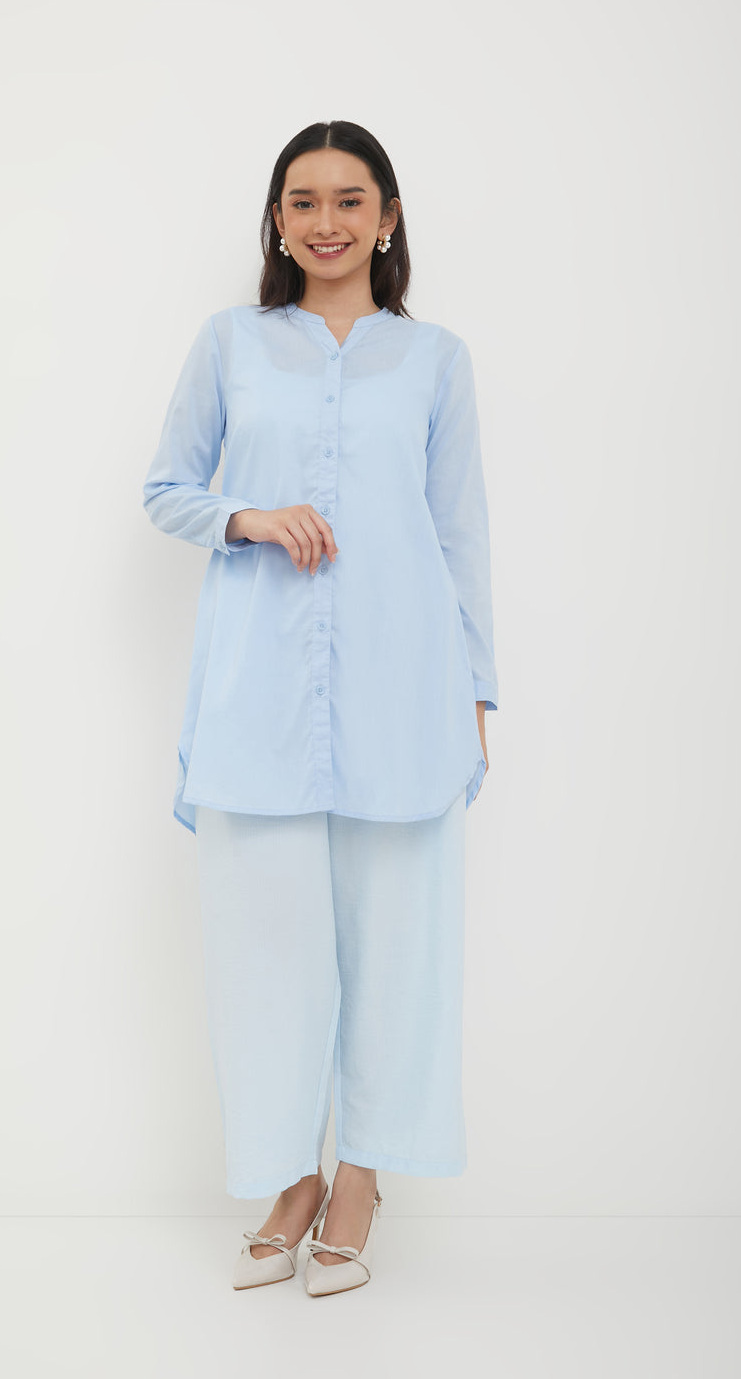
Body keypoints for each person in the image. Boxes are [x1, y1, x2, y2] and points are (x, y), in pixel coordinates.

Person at [142, 120, 497, 1296]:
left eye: (351, 200)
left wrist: (477, 687)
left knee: (397, 948)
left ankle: (360, 1178)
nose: (327, 221)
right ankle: (289, 1173)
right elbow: (166, 488)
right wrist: (247, 516)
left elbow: (460, 532)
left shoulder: (435, 359)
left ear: (387, 218)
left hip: (404, 688)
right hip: (260, 694)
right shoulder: (231, 344)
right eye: (303, 200)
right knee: (267, 952)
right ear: (277, 219)